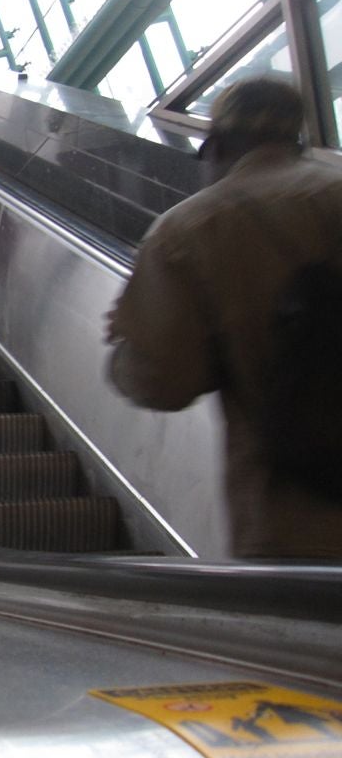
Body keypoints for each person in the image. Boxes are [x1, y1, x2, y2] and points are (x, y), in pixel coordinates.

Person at [104, 76, 342, 560]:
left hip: (298, 520)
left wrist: (123, 351)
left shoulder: (191, 230)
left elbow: (162, 382)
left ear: (215, 145)